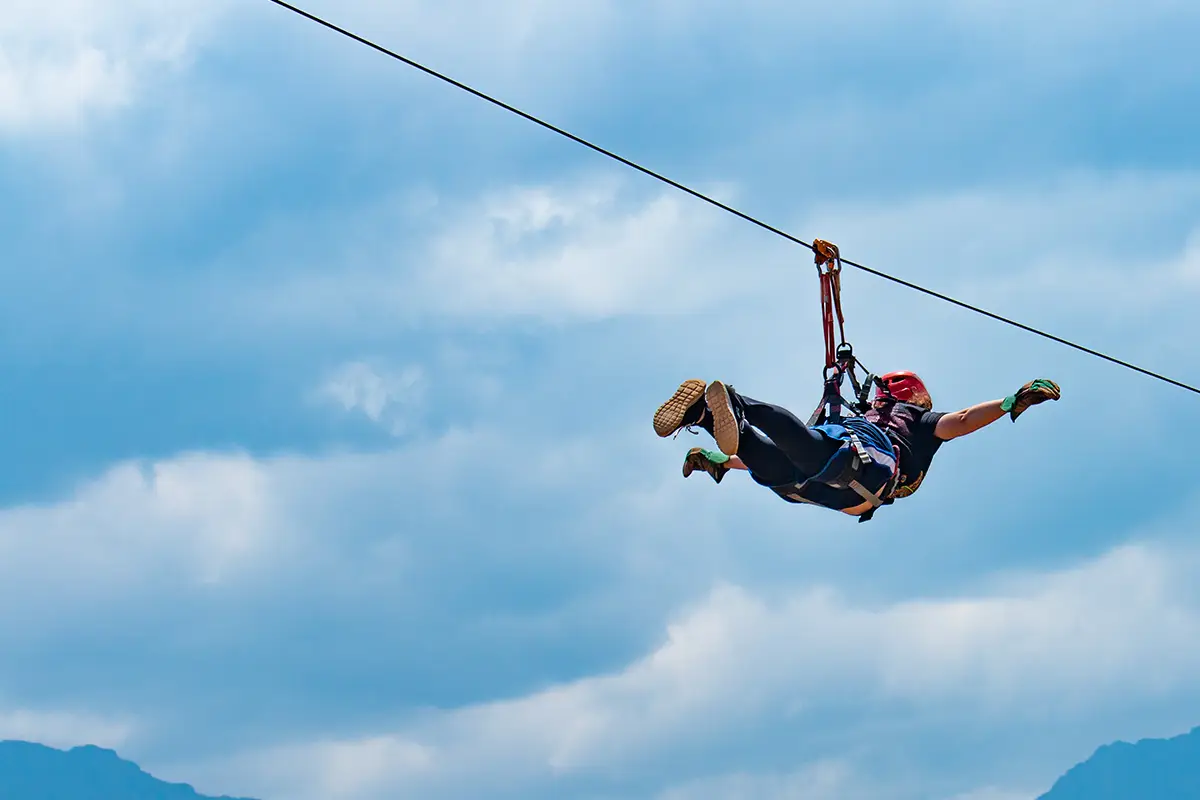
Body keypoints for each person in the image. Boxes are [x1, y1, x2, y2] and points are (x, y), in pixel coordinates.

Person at [654, 373, 1061, 520]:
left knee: (792, 451)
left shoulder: (913, 422)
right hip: (844, 490)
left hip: (854, 472)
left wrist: (1009, 402)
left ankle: (725, 408)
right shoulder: (916, 421)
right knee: (779, 461)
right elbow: (964, 419)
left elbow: (965, 419)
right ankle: (707, 417)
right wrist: (718, 460)